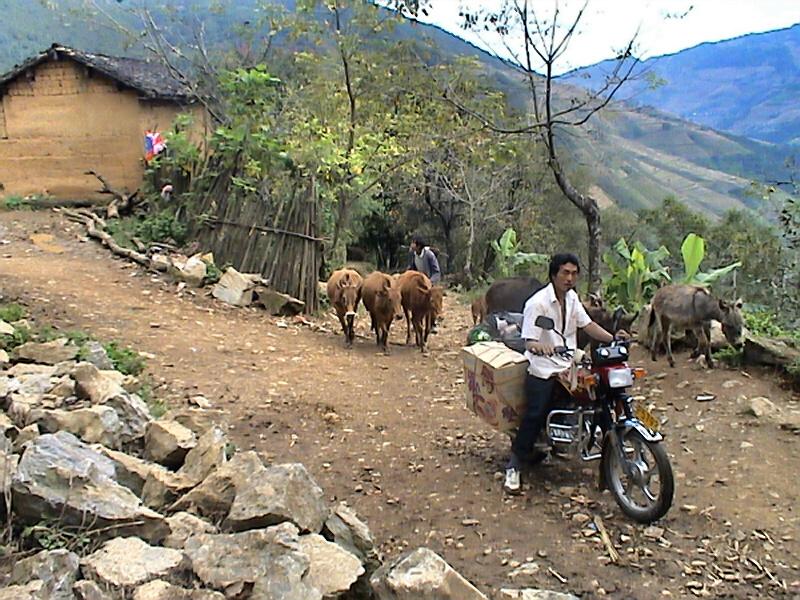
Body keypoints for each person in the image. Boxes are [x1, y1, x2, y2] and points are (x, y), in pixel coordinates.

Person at [503, 253, 617, 494]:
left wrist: (614, 338)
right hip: (543, 367)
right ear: (553, 274)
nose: (570, 278)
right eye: (565, 273)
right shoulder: (538, 303)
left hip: (567, 364)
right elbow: (529, 341)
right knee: (535, 412)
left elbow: (588, 325)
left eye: (574, 273)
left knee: (601, 396)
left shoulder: (573, 299)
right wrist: (540, 347)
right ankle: (514, 466)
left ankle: (611, 453)